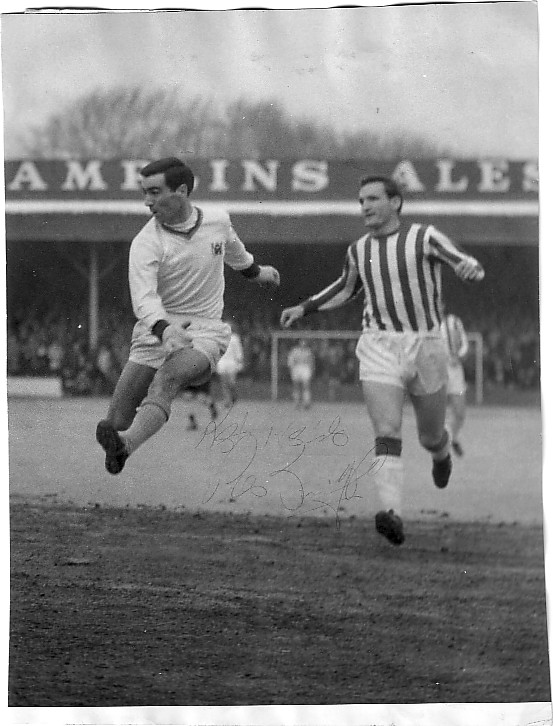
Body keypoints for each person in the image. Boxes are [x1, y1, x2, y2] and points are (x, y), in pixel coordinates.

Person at [280, 175, 484, 546]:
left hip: (426, 347)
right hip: (379, 344)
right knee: (387, 429)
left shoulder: (424, 237)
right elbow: (345, 288)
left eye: (373, 199)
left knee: (430, 436)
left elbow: (465, 262)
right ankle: (392, 513)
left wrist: (470, 269)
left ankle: (441, 453)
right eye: (361, 201)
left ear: (396, 203)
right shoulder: (358, 250)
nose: (365, 207)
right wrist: (305, 307)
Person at [96, 157, 280, 475]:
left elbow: (235, 252)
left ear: (181, 191)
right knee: (115, 421)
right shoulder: (146, 243)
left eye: (155, 192)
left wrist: (258, 272)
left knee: (167, 379)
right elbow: (144, 299)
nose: (147, 201)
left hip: (205, 331)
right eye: (144, 193)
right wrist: (165, 330)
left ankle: (126, 446)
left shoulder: (218, 221)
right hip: (156, 330)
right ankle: (120, 440)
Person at [440, 313, 469, 457]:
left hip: (455, 371)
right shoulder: (424, 323)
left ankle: (451, 437)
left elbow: (464, 345)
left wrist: (459, 356)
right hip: (437, 370)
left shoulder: (454, 322)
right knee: (436, 411)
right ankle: (440, 445)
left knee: (460, 413)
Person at [215, 322, 244, 408]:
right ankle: (227, 401)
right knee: (224, 383)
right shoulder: (219, 338)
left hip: (232, 363)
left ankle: (234, 396)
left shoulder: (235, 338)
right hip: (222, 362)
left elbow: (238, 350)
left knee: (231, 382)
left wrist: (240, 361)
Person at [287, 338, 315, 409]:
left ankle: (307, 402)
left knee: (306, 385)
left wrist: (311, 369)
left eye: (304, 342)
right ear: (299, 343)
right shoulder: (294, 351)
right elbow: (290, 360)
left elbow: (311, 361)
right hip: (296, 368)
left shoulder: (308, 351)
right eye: (302, 342)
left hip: (305, 368)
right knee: (296, 386)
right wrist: (292, 368)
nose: (303, 344)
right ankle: (296, 402)